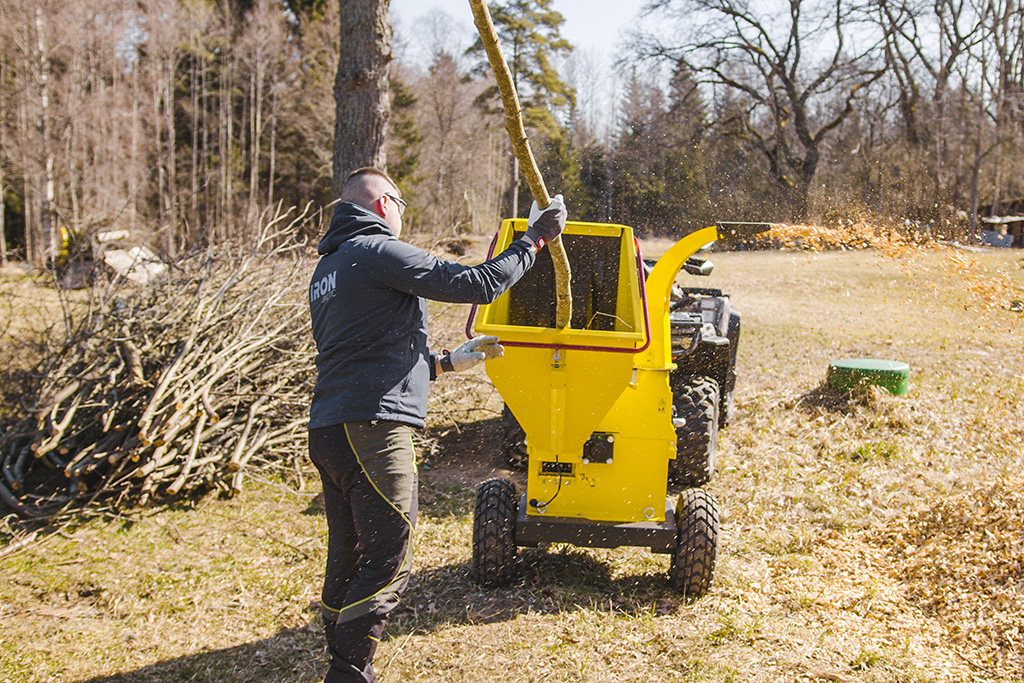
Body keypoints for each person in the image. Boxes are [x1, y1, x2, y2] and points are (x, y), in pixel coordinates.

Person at [307, 167, 566, 683]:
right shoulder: (377, 250)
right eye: (401, 202)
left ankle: (339, 657)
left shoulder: (328, 270)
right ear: (383, 203)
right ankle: (349, 672)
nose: (404, 212)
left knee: (351, 550)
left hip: (331, 426)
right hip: (373, 428)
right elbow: (477, 283)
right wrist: (535, 238)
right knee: (387, 553)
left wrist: (448, 361)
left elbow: (368, 352)